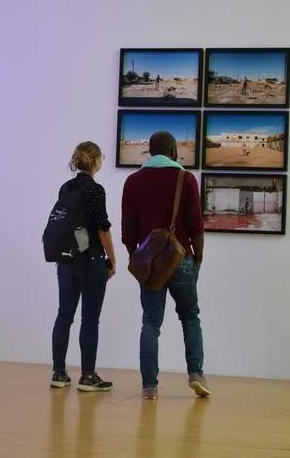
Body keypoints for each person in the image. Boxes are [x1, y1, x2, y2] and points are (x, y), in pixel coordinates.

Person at [121, 131, 209, 400]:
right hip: (181, 259)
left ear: (150, 151)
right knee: (190, 317)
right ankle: (196, 374)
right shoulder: (185, 178)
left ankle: (149, 386)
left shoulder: (133, 181)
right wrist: (198, 256)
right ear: (173, 151)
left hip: (150, 265)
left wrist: (136, 257)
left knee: (150, 323)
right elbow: (196, 223)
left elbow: (128, 228)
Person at [50, 141, 116, 392]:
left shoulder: (65, 188)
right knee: (89, 319)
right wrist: (112, 259)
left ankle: (59, 373)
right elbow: (102, 228)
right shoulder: (95, 190)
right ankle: (88, 376)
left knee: (64, 314)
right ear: (96, 161)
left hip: (66, 259)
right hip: (91, 260)